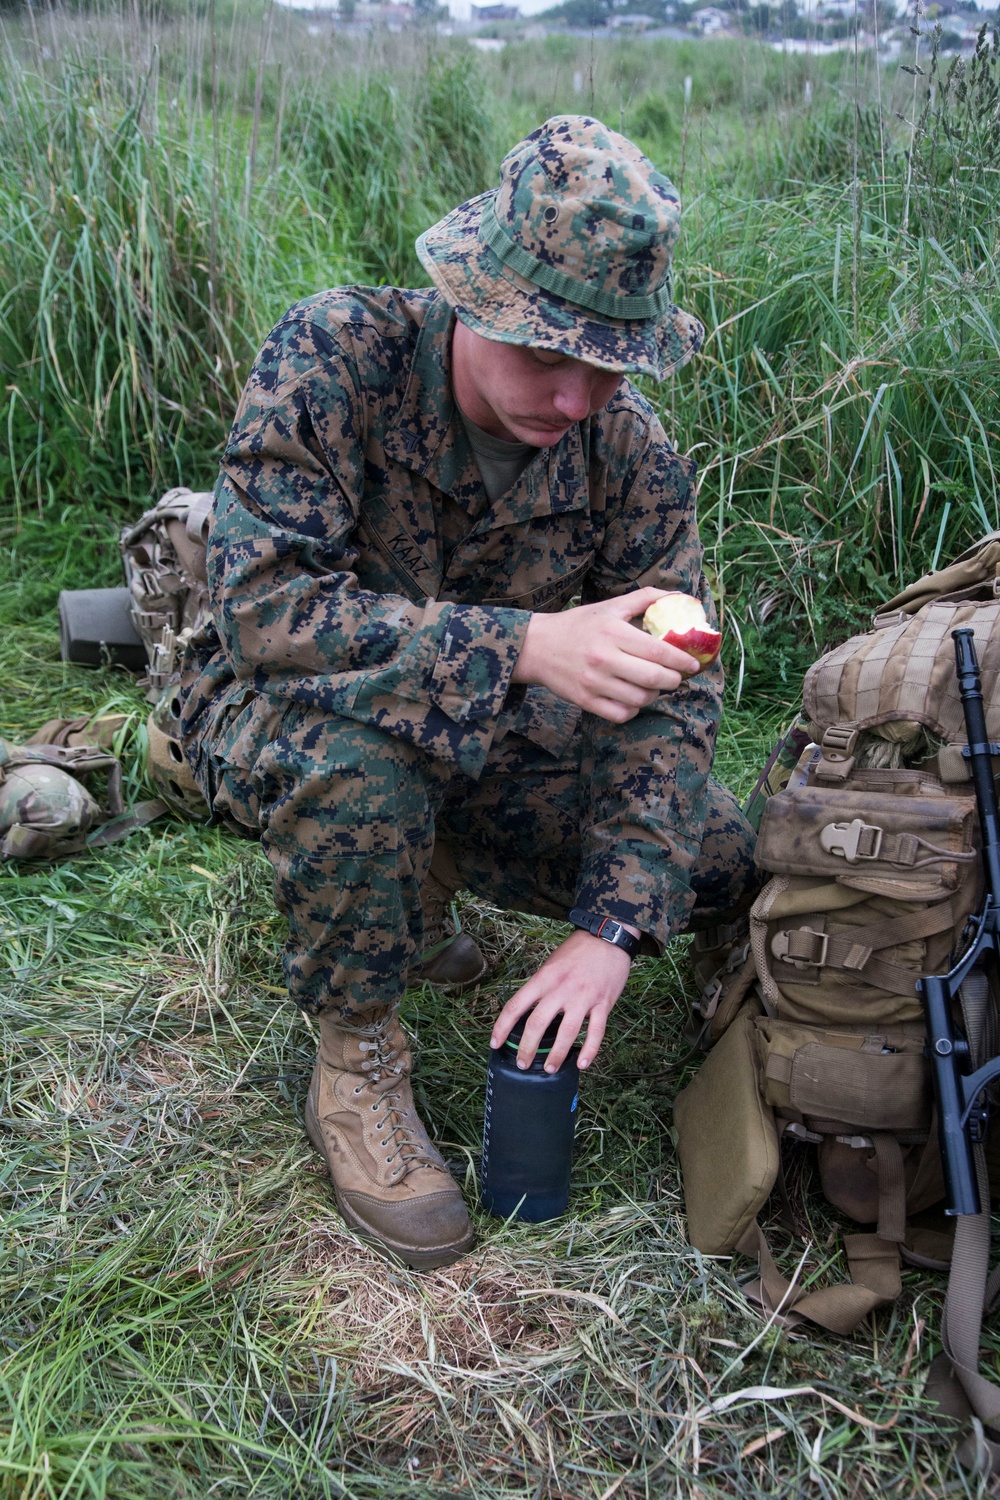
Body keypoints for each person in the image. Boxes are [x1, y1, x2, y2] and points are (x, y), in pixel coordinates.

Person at [178, 114, 759, 1271]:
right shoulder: (338, 354)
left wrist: (609, 928)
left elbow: (670, 696)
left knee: (719, 858)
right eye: (548, 355)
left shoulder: (628, 451)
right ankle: (354, 1061)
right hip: (282, 710)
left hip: (480, 745)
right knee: (363, 770)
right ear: (474, 300)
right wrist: (524, 646)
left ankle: (426, 868)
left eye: (609, 363)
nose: (577, 398)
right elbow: (265, 611)